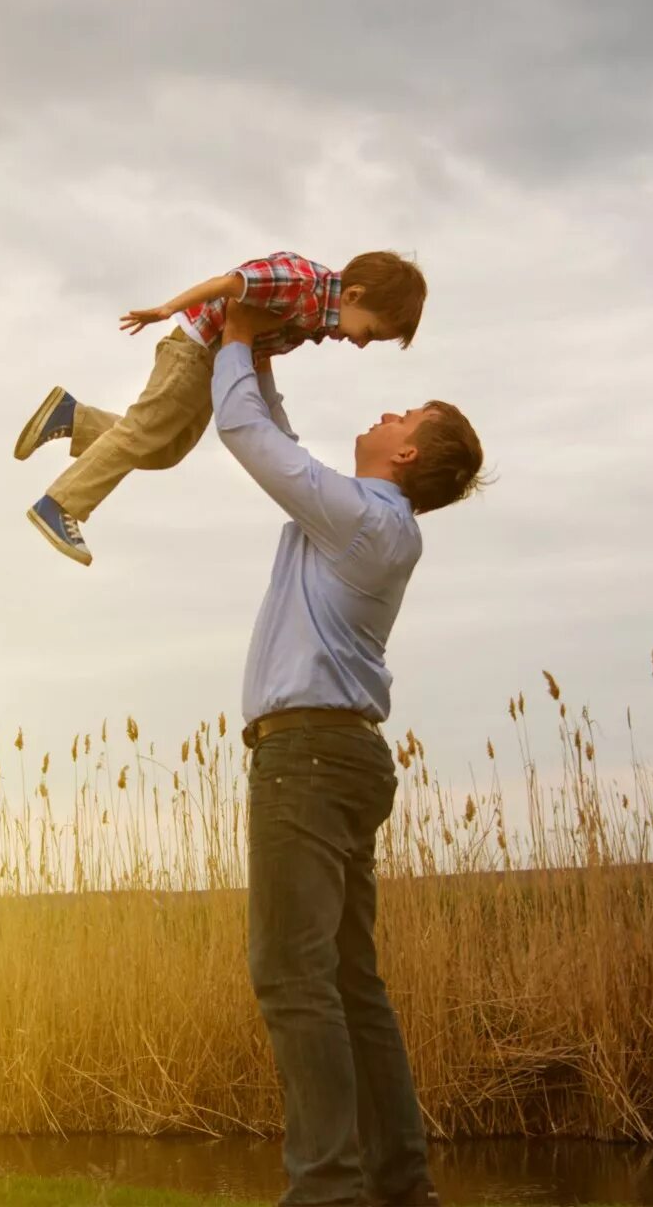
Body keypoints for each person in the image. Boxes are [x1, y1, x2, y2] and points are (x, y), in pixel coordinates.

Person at [213, 297, 486, 1207]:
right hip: (340, 756)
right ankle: (400, 1189)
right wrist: (263, 356)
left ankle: (327, 1191)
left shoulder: (366, 522)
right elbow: (281, 436)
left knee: (292, 975)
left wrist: (239, 337)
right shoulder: (362, 517)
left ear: (407, 455)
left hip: (308, 759)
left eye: (401, 415)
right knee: (346, 981)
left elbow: (246, 434)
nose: (383, 413)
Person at [13, 250, 428, 565]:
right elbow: (232, 284)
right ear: (354, 296)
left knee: (165, 449)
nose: (360, 343)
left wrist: (265, 403)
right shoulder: (302, 282)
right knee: (142, 432)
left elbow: (262, 350)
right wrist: (168, 308)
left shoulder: (320, 317)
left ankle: (72, 417)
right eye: (369, 333)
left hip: (212, 362)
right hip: (193, 352)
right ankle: (60, 504)